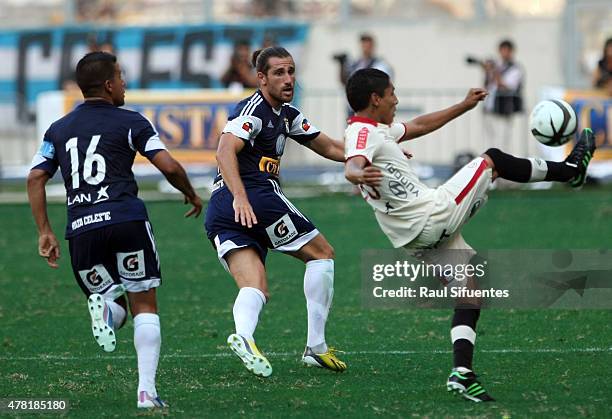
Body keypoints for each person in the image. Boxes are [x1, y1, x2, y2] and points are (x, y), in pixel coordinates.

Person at [343, 68, 596, 402]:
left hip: (413, 238)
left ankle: (462, 374)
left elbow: (418, 125)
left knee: (469, 296)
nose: (396, 98)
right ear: (375, 99)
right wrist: (357, 174)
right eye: (392, 92)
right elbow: (352, 163)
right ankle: (572, 172)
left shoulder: (377, 129)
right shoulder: (362, 133)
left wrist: (463, 105)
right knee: (493, 159)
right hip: (432, 216)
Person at [27, 51, 203, 409]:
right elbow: (167, 164)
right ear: (108, 85)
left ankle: (105, 309)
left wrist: (45, 230)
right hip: (126, 221)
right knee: (144, 304)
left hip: (81, 230)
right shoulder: (132, 122)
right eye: (121, 77)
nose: (125, 83)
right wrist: (190, 193)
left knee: (112, 303)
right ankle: (146, 392)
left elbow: (35, 178)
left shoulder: (58, 130)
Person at [205, 46, 347, 377]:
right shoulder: (254, 110)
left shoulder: (288, 114)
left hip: (221, 211)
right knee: (322, 254)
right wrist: (241, 196)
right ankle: (316, 347)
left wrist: (370, 155)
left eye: (291, 71)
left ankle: (243, 336)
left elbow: (329, 146)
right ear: (261, 78)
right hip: (253, 197)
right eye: (279, 73)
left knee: (255, 285)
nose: (288, 79)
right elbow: (224, 150)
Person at [479, 39, 524, 149]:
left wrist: (495, 72)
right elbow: (487, 85)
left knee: (504, 140)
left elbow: (506, 87)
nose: (504, 53)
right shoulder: (496, 66)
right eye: (502, 50)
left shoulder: (515, 68)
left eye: (507, 50)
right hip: (490, 107)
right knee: (490, 140)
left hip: (504, 109)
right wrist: (486, 71)